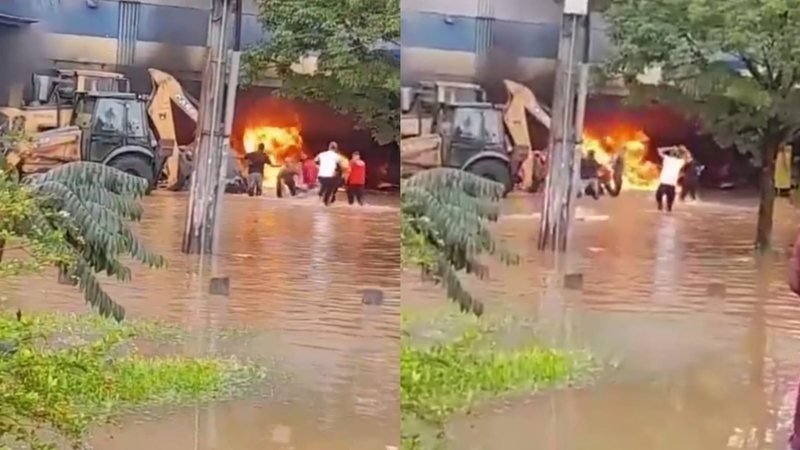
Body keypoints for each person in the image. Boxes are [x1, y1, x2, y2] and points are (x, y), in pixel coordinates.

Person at [655, 145, 691, 212]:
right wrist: (670, 147)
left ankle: (666, 212)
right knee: (658, 198)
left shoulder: (680, 161)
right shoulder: (667, 158)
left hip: (672, 186)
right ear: (671, 153)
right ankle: (660, 207)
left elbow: (689, 159)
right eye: (673, 152)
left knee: (669, 207)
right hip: (663, 183)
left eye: (676, 152)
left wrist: (685, 150)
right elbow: (659, 149)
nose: (674, 153)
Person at [315, 141, 343, 206]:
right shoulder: (337, 156)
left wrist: (319, 167)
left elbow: (315, 161)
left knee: (324, 186)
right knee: (330, 189)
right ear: (336, 148)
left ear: (329, 147)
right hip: (330, 176)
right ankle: (326, 203)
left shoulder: (321, 154)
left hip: (321, 176)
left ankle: (318, 198)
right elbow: (341, 166)